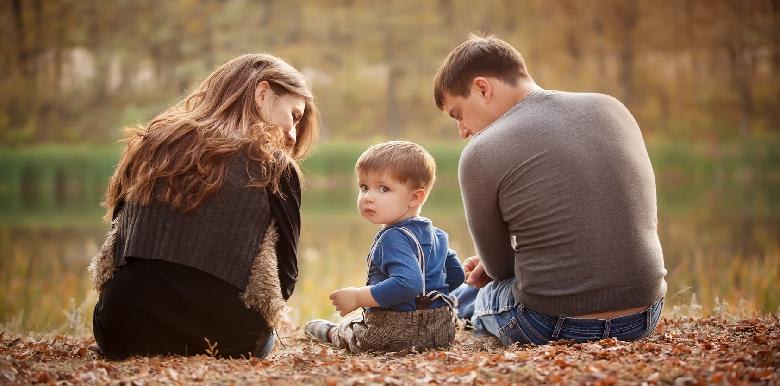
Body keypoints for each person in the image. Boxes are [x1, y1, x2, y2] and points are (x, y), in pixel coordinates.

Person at [434, 35, 667, 345]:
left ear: (482, 88)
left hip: (551, 322)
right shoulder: (612, 107)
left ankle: (450, 303)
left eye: (458, 114)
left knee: (480, 293)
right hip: (644, 315)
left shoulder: (480, 151)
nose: (463, 131)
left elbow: (500, 268)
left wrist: (495, 265)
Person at [88, 53, 319, 359]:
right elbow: (285, 280)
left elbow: (116, 249)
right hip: (229, 341)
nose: (292, 134)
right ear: (262, 93)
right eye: (294, 115)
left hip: (122, 333)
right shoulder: (275, 168)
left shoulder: (151, 144)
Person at [303, 141, 465, 353]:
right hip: (441, 331)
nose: (368, 197)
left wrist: (358, 297)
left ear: (415, 197)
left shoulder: (393, 237)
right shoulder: (438, 235)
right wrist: (430, 308)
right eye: (364, 187)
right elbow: (456, 275)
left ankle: (333, 332)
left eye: (383, 188)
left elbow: (408, 284)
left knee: (354, 332)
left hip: (394, 331)